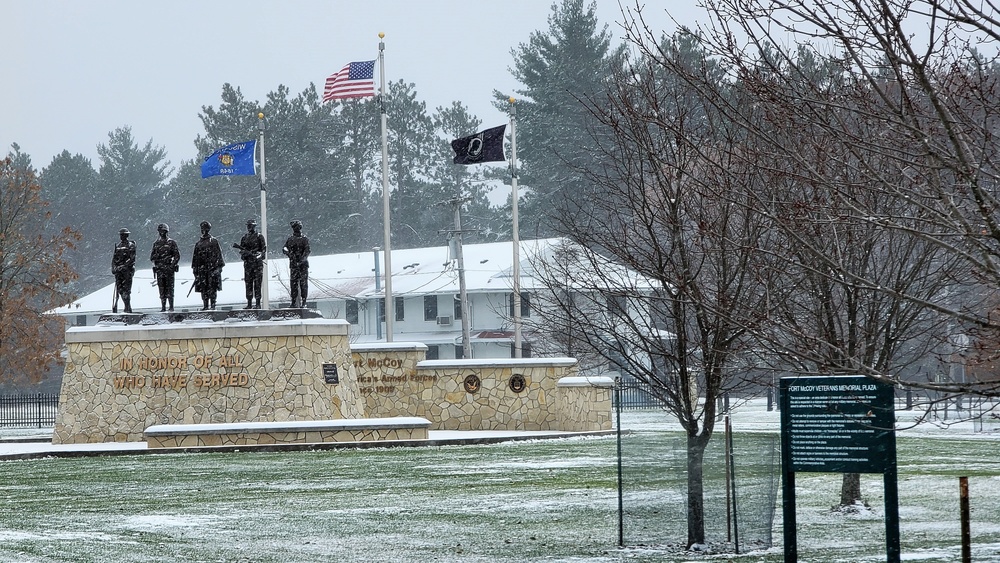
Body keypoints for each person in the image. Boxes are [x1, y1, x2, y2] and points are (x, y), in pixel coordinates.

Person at [191, 221, 225, 310]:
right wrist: (195, 270)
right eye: (202, 229)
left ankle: (213, 305)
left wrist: (218, 268)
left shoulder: (214, 241)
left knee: (212, 287)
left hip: (212, 269)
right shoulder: (198, 244)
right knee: (203, 288)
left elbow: (219, 255)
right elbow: (195, 258)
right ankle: (205, 305)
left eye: (205, 229)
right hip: (202, 270)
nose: (204, 231)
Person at [234, 219, 266, 309]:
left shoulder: (260, 237)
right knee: (248, 284)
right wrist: (246, 254)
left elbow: (263, 251)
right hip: (248, 264)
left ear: (254, 226)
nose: (249, 227)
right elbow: (241, 251)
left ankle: (258, 303)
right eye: (248, 225)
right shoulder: (244, 238)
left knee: (257, 284)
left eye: (251, 225)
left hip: (257, 265)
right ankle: (249, 303)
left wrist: (258, 255)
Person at [149, 223, 180, 312]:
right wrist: (157, 257)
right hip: (160, 269)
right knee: (161, 288)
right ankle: (163, 306)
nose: (161, 233)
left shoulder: (172, 243)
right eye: (160, 231)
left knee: (170, 288)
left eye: (163, 231)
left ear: (166, 231)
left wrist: (172, 264)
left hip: (168, 269)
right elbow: (152, 257)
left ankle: (171, 306)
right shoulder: (156, 244)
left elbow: (177, 256)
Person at [283, 220, 310, 308]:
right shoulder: (290, 239)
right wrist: (289, 254)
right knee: (293, 284)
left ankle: (304, 301)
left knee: (303, 284)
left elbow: (307, 251)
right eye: (294, 227)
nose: (296, 229)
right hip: (294, 265)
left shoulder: (304, 239)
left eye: (298, 227)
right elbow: (284, 248)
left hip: (303, 266)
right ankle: (293, 301)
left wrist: (302, 260)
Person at [111, 228, 137, 313]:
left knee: (126, 290)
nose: (122, 236)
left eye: (124, 235)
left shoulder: (131, 245)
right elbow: (114, 259)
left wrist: (123, 266)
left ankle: (127, 307)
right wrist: (114, 268)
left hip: (127, 271)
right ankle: (127, 306)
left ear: (127, 235)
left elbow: (131, 258)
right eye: (121, 235)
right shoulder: (118, 246)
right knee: (120, 289)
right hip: (119, 272)